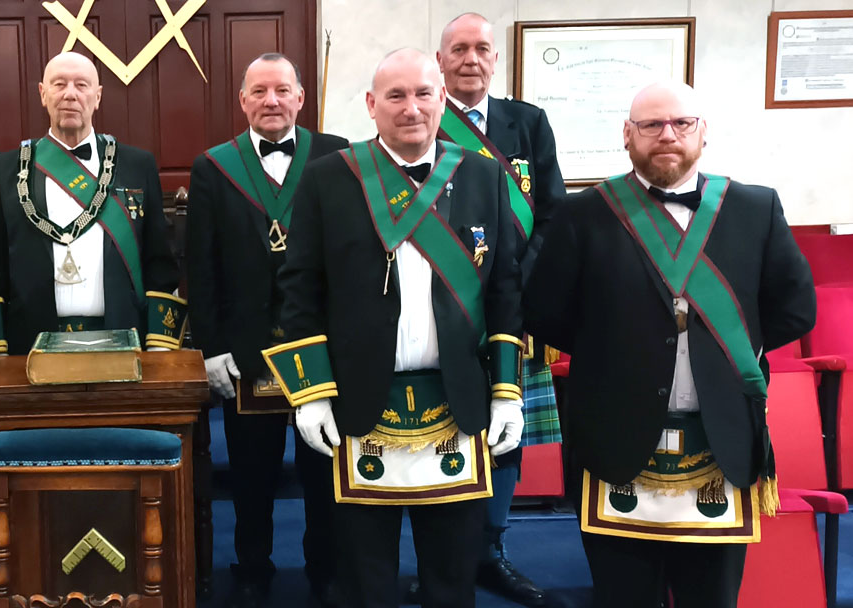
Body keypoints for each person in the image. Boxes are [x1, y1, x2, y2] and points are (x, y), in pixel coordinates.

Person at [524, 81, 815, 608]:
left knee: (712, 598)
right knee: (622, 596)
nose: (667, 135)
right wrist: (618, 349)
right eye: (652, 125)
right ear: (628, 135)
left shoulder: (754, 207)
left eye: (681, 123)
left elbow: (795, 309)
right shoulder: (584, 213)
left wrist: (723, 351)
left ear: (703, 132)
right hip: (615, 436)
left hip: (721, 437)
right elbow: (545, 312)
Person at [263, 48, 525, 608]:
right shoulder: (329, 179)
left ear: (441, 100)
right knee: (363, 581)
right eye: (396, 96)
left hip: (455, 402)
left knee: (452, 579)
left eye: (424, 94)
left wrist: (507, 394)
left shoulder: (481, 175)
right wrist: (308, 396)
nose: (412, 109)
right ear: (371, 105)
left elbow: (503, 291)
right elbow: (299, 290)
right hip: (358, 405)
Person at [185, 52, 346, 608]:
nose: (271, 101)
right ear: (243, 100)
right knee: (251, 475)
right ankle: (252, 566)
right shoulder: (213, 166)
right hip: (246, 353)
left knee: (323, 472)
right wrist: (209, 349)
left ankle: (325, 568)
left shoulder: (337, 154)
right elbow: (200, 267)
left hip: (321, 348)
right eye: (259, 91)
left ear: (301, 98)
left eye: (282, 90)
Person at [432, 12, 567, 606]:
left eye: (481, 48)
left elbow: (554, 211)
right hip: (445, 305)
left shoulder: (528, 122)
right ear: (440, 60)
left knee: (506, 434)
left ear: (496, 59)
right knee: (443, 430)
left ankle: (492, 551)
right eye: (458, 48)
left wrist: (516, 281)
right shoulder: (421, 115)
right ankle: (447, 561)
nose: (470, 59)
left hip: (515, 310)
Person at [0, 52, 182, 358]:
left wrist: (159, 344)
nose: (70, 94)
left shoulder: (138, 165)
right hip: (30, 345)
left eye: (81, 85)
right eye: (59, 84)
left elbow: (159, 261)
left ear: (97, 97)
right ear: (43, 94)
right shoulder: (4, 170)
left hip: (124, 340)